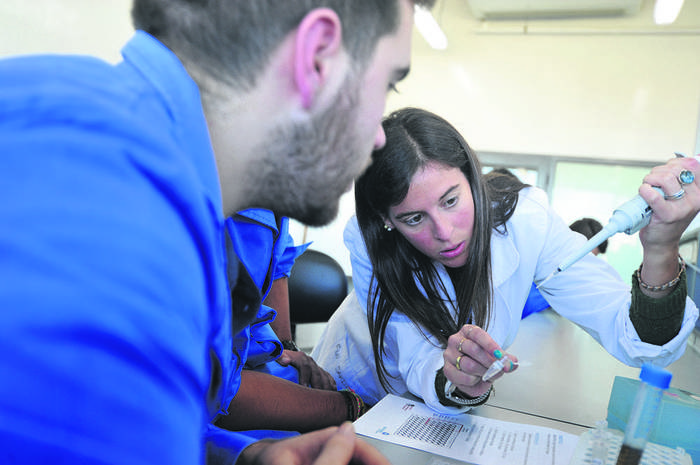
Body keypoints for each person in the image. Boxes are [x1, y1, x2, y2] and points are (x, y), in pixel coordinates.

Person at [0, 0, 435, 463]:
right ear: (316, 57)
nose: (379, 139)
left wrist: (244, 457)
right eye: (386, 84)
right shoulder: (119, 230)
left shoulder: (144, 160)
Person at [312, 107, 700, 414]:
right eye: (414, 218)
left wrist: (662, 247)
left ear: (472, 178)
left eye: (451, 200)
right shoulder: (370, 241)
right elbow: (413, 355)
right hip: (349, 384)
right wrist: (455, 376)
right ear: (386, 221)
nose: (445, 232)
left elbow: (638, 337)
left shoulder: (527, 222)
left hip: (433, 413)